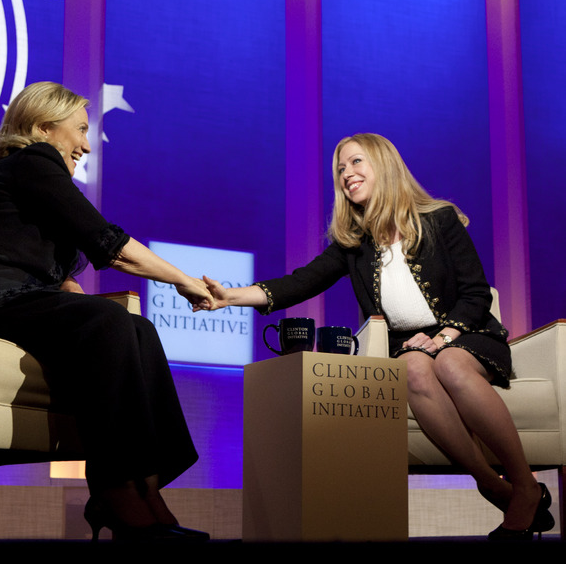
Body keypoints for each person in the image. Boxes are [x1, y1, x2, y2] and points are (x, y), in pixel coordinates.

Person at [203, 133, 552, 541]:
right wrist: (230, 297)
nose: (346, 175)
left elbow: (476, 293)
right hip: (408, 348)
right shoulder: (353, 245)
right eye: (340, 169)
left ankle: (524, 486)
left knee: (451, 364)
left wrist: (444, 337)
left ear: (383, 165)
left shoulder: (439, 220)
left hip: (469, 334)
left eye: (355, 163)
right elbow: (300, 282)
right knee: (414, 370)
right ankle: (492, 485)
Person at [0, 81, 213, 542]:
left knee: (136, 328)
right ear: (42, 129)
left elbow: (50, 271)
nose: (85, 144)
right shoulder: (31, 162)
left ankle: (146, 489)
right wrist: (183, 280)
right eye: (79, 129)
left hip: (14, 298)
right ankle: (117, 491)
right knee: (110, 322)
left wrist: (77, 301)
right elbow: (111, 246)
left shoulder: (31, 181)